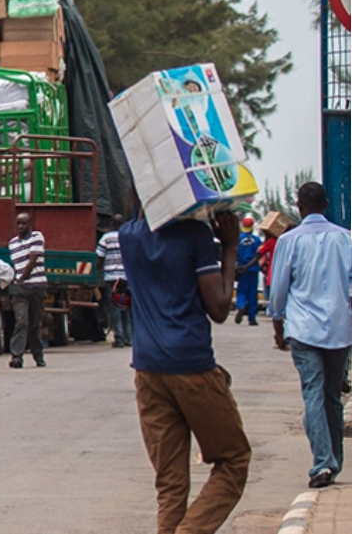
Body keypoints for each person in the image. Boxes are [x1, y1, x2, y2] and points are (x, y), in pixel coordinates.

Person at [120, 208, 251, 534]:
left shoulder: (128, 236)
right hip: (192, 365)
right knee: (234, 460)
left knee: (171, 484)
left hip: (148, 370)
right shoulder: (196, 236)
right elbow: (219, 308)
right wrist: (231, 246)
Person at [269, 182, 352, 489]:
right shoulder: (345, 239)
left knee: (313, 394)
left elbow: (277, 291)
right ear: (326, 204)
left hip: (303, 330)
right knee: (332, 396)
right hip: (340, 330)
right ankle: (333, 462)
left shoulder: (288, 241)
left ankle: (323, 464)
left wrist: (278, 328)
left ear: (299, 206)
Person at [7, 213, 47, 369]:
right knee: (21, 321)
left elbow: (32, 260)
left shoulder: (37, 237)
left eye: (24, 223)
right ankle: (17, 356)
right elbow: (17, 265)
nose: (20, 226)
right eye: (18, 223)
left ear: (30, 223)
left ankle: (38, 355)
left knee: (35, 323)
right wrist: (17, 282)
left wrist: (21, 278)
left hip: (37, 285)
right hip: (21, 289)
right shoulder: (12, 243)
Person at [96, 214, 134, 348]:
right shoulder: (129, 236)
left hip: (112, 278)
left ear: (112, 224)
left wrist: (96, 272)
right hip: (127, 277)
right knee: (127, 307)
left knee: (114, 307)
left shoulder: (106, 238)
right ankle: (129, 337)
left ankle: (119, 338)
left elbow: (99, 257)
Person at [234, 216, 262, 326]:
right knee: (252, 293)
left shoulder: (238, 239)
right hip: (253, 269)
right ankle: (252, 318)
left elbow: (234, 253)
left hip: (241, 269)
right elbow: (258, 255)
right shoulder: (257, 240)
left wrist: (238, 266)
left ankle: (241, 306)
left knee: (241, 291)